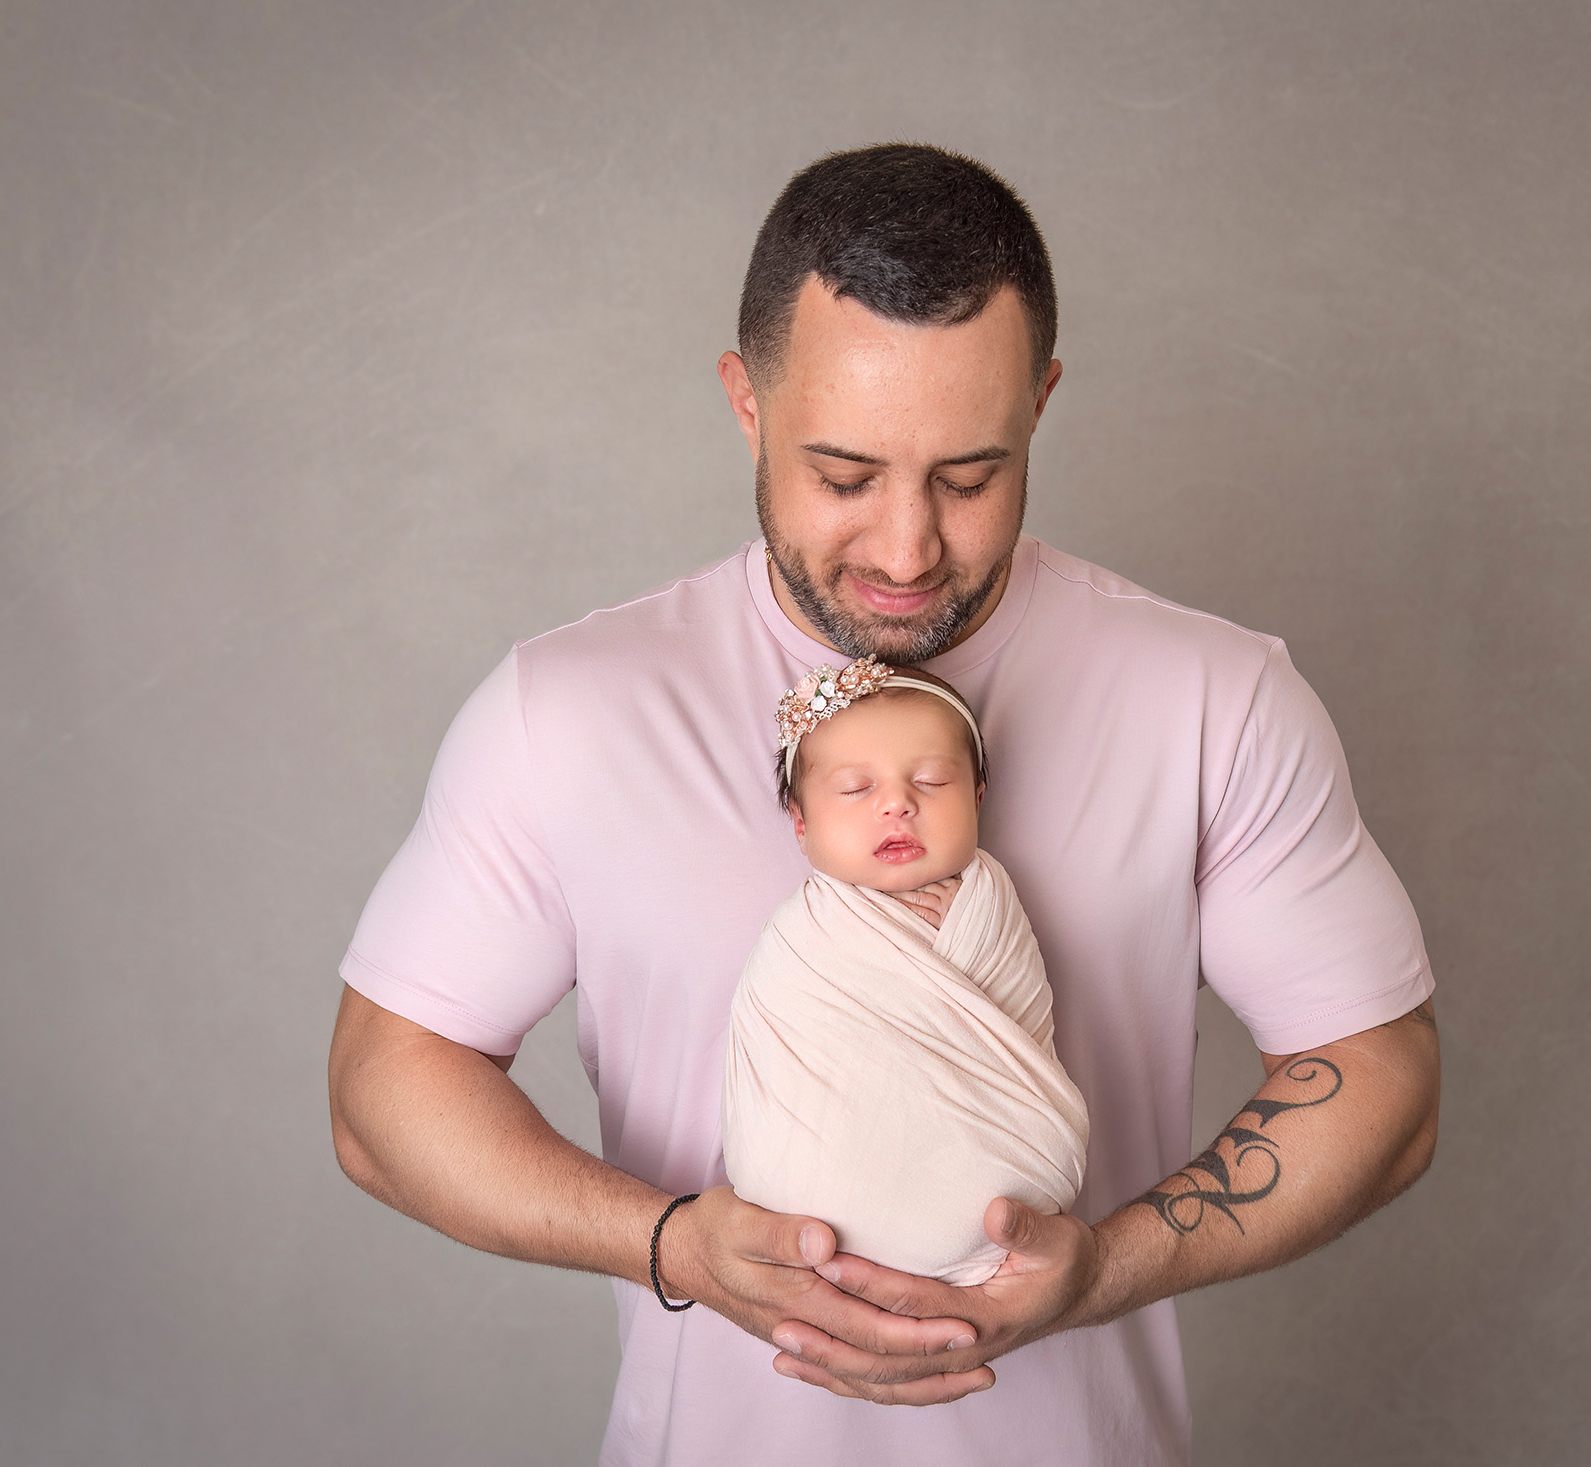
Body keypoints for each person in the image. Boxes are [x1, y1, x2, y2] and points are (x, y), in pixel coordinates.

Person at [327, 142, 1440, 1466]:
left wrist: (1109, 1268)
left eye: (970, 476)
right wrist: (673, 1240)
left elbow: (1388, 1081)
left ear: (1043, 399)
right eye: (846, 475)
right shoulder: (566, 712)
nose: (908, 548)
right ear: (746, 400)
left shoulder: (1214, 697)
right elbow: (381, 1095)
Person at [722, 659, 1088, 1287]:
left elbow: (1018, 1021)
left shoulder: (990, 906)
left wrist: (962, 923)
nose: (897, 803)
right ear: (802, 824)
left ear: (977, 797)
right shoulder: (804, 940)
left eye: (931, 780)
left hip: (998, 1181)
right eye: (855, 789)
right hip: (815, 1206)